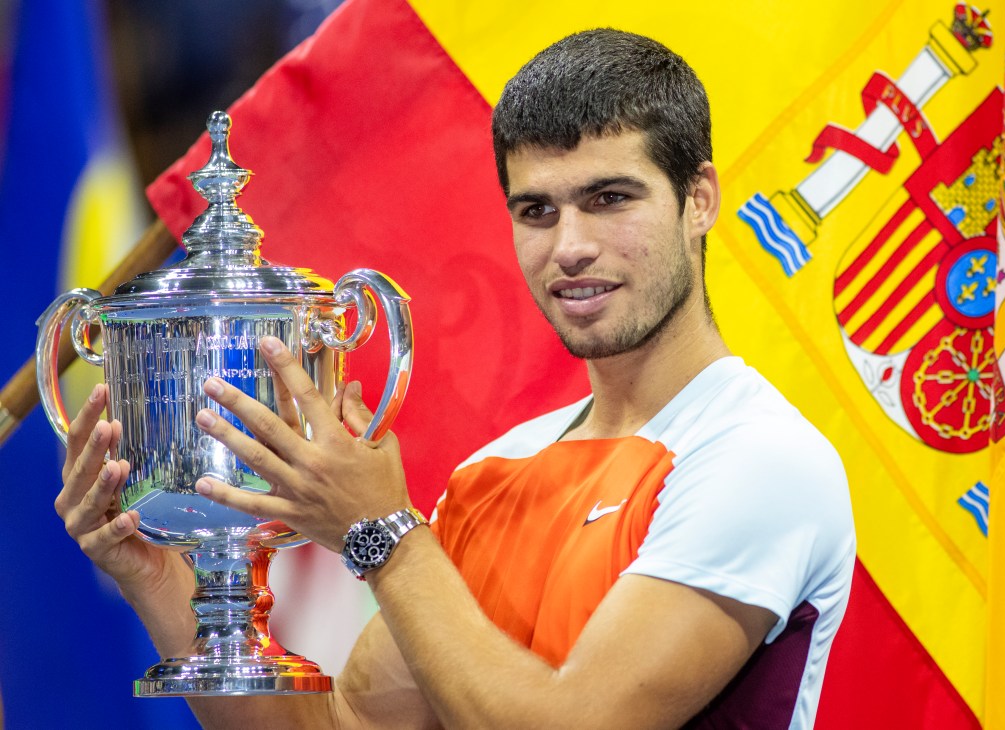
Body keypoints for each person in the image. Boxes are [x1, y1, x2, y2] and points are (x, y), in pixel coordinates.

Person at [55, 28, 855, 729]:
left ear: (700, 200)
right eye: (536, 210)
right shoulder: (491, 476)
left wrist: (383, 537)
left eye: (610, 199)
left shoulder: (760, 458)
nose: (569, 246)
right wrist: (156, 579)